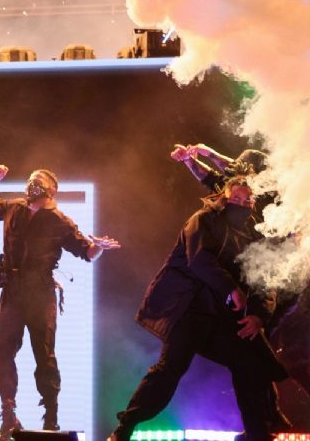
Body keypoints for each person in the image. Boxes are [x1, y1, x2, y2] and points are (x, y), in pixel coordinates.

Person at [108, 178, 288, 441]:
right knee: (170, 368)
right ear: (224, 198)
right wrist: (231, 289)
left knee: (250, 364)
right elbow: (199, 260)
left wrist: (259, 316)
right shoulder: (203, 220)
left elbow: (264, 278)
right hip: (189, 308)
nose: (241, 203)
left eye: (246, 199)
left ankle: (257, 434)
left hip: (221, 317)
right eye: (235, 198)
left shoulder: (252, 234)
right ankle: (124, 429)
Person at [0, 165, 119, 439]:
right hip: (12, 291)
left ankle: (51, 418)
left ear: (51, 189)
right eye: (31, 178)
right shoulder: (15, 208)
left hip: (40, 292)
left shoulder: (59, 221)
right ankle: (9, 415)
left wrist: (99, 248)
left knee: (44, 356)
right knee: (2, 355)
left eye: (38, 181)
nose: (32, 183)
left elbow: (86, 252)